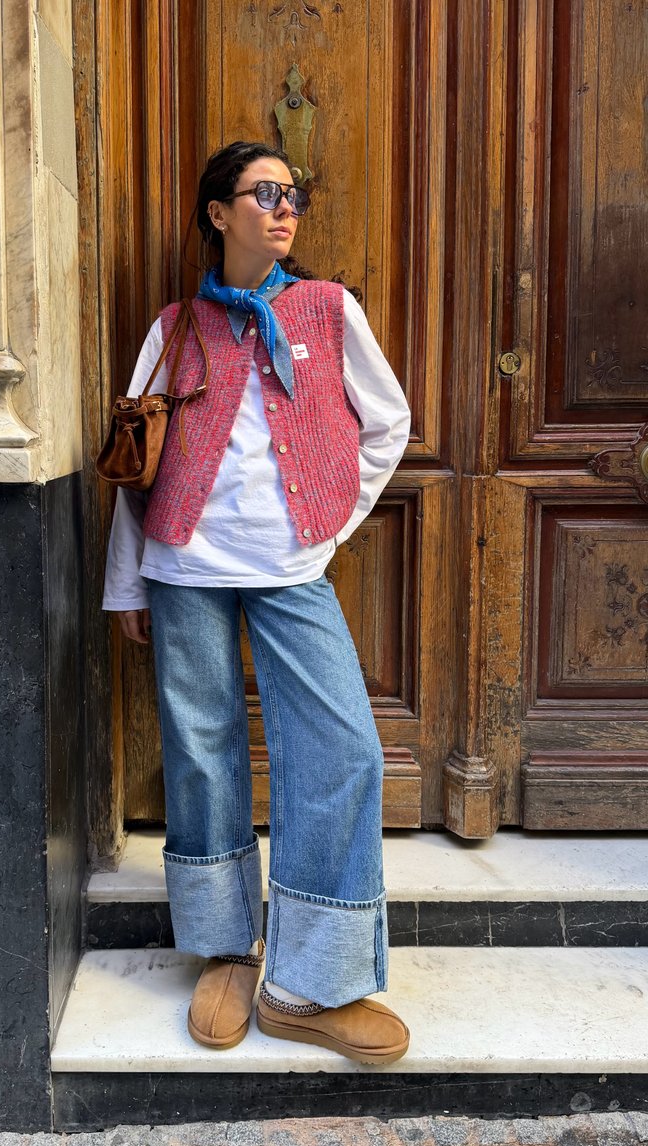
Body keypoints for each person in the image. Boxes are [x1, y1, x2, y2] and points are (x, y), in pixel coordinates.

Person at [104, 141, 412, 1063]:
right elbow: (136, 460)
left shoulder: (328, 308)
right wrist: (128, 580)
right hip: (184, 564)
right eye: (265, 193)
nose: (285, 209)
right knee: (202, 752)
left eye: (294, 195)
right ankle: (227, 950)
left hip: (291, 568)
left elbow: (387, 421)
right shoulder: (175, 327)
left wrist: (331, 520)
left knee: (344, 750)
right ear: (218, 212)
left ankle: (309, 982)